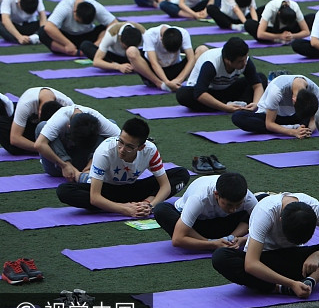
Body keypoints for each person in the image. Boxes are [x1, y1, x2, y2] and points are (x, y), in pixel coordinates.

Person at [211, 191, 319, 298]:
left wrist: (317, 255)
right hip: (266, 265)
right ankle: (278, 288)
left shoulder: (314, 207)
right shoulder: (266, 211)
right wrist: (290, 285)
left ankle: (309, 282)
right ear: (280, 220)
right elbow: (251, 264)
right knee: (221, 257)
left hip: (301, 263)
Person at [56, 117, 189, 215]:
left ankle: (141, 203)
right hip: (105, 190)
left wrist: (150, 206)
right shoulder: (104, 151)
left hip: (133, 190)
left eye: (129, 147)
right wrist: (125, 209)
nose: (122, 149)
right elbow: (95, 197)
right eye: (121, 142)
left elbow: (164, 185)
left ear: (141, 147)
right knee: (64, 191)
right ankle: (114, 204)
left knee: (182, 174)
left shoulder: (150, 150)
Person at [155, 173, 258, 251]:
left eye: (238, 205)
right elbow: (177, 240)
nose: (233, 210)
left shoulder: (248, 198)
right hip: (196, 227)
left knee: (262, 202)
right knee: (161, 209)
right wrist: (213, 244)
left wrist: (241, 240)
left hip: (224, 226)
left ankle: (230, 238)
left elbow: (267, 228)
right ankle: (209, 241)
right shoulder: (199, 198)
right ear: (216, 194)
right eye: (229, 205)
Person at [176, 37, 266, 113]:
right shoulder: (211, 63)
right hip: (206, 93)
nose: (244, 63)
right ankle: (229, 105)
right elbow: (200, 93)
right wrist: (226, 108)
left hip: (226, 90)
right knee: (183, 95)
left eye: (245, 59)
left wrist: (256, 103)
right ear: (228, 60)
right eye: (240, 61)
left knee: (261, 78)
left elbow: (257, 85)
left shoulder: (245, 61)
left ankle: (240, 105)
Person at [232, 74, 319, 138]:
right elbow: (269, 124)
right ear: (293, 100)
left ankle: (288, 127)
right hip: (271, 116)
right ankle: (288, 127)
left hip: (296, 117)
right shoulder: (277, 90)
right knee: (238, 117)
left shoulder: (315, 90)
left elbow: (314, 118)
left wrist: (308, 131)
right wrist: (293, 132)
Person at [38, 0, 116, 56]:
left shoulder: (95, 6)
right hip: (67, 37)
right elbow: (49, 27)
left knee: (107, 29)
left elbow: (114, 23)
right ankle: (70, 52)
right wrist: (67, 44)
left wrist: (96, 44)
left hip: (88, 37)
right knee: (42, 32)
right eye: (78, 21)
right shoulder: (65, 6)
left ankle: (92, 49)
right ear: (74, 12)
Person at [2, 86, 71, 155]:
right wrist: (45, 149)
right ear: (39, 112)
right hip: (19, 122)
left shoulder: (68, 106)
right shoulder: (26, 104)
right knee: (14, 149)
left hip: (47, 133)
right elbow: (15, 139)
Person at [130, 24, 199, 92]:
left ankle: (179, 82)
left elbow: (191, 59)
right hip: (154, 73)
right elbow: (154, 63)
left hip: (175, 69)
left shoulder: (183, 33)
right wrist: (166, 82)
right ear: (161, 39)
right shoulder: (150, 34)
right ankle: (159, 84)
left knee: (202, 49)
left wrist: (178, 80)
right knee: (131, 51)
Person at [245, 0, 309, 44]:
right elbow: (260, 34)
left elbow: (306, 31)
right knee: (249, 24)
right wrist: (280, 36)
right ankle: (274, 39)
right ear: (278, 13)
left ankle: (284, 39)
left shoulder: (295, 7)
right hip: (272, 30)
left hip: (290, 31)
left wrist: (292, 36)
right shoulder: (271, 7)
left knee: (311, 18)